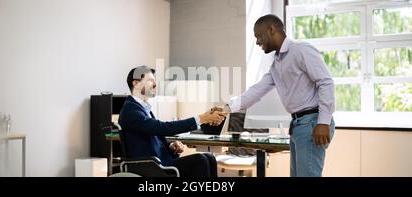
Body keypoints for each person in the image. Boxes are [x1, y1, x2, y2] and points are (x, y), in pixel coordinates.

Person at [213, 14, 335, 177]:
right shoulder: (277, 64)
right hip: (298, 125)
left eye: (258, 36)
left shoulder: (301, 50)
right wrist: (226, 109)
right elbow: (257, 91)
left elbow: (326, 82)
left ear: (271, 30)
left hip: (312, 122)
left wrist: (324, 121)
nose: (257, 42)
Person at [118, 65, 226, 177]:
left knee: (210, 158)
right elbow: (162, 128)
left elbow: (153, 135)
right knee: (200, 160)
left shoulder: (142, 108)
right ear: (136, 83)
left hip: (159, 162)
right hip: (150, 166)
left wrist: (171, 147)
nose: (155, 85)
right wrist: (201, 118)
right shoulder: (131, 110)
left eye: (155, 81)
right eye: (150, 81)